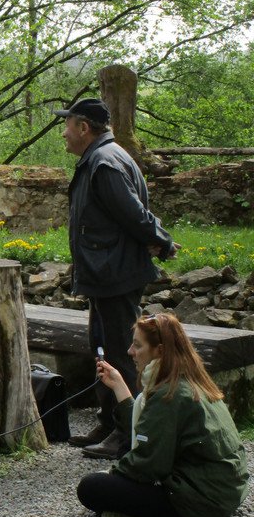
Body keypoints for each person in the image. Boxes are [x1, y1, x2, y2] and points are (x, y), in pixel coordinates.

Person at [55, 97, 178, 459]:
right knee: (102, 347)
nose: (63, 133)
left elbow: (135, 215)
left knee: (123, 354)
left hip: (115, 273)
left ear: (84, 128)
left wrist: (162, 241)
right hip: (105, 273)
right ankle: (110, 421)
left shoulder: (105, 162)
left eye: (68, 125)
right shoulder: (101, 158)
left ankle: (127, 433)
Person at [77, 313, 249, 517]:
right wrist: (119, 386)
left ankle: (134, 514)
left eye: (138, 346)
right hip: (225, 492)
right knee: (121, 462)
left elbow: (148, 463)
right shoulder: (190, 379)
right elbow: (150, 428)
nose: (130, 351)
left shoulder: (169, 394)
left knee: (91, 487)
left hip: (202, 500)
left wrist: (111, 475)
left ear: (159, 351)